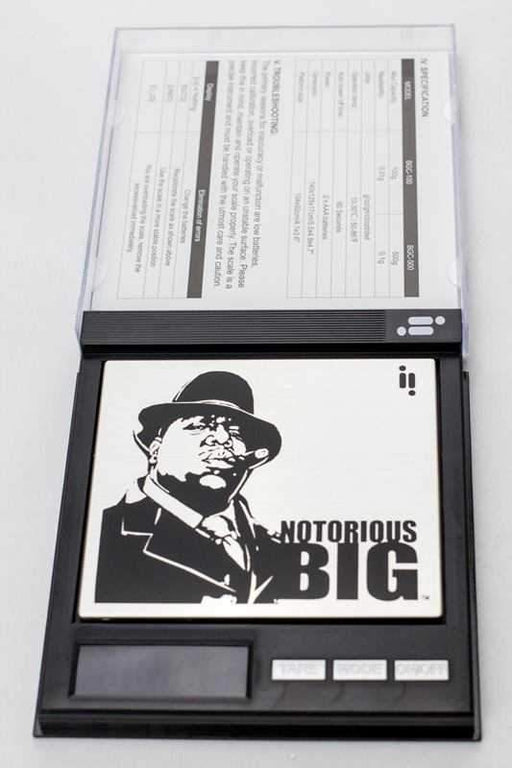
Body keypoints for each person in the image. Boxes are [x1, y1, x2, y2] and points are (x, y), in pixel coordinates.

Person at [95, 370, 283, 604]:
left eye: (236, 432)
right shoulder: (104, 537)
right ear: (155, 449)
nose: (222, 439)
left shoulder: (275, 546)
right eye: (200, 425)